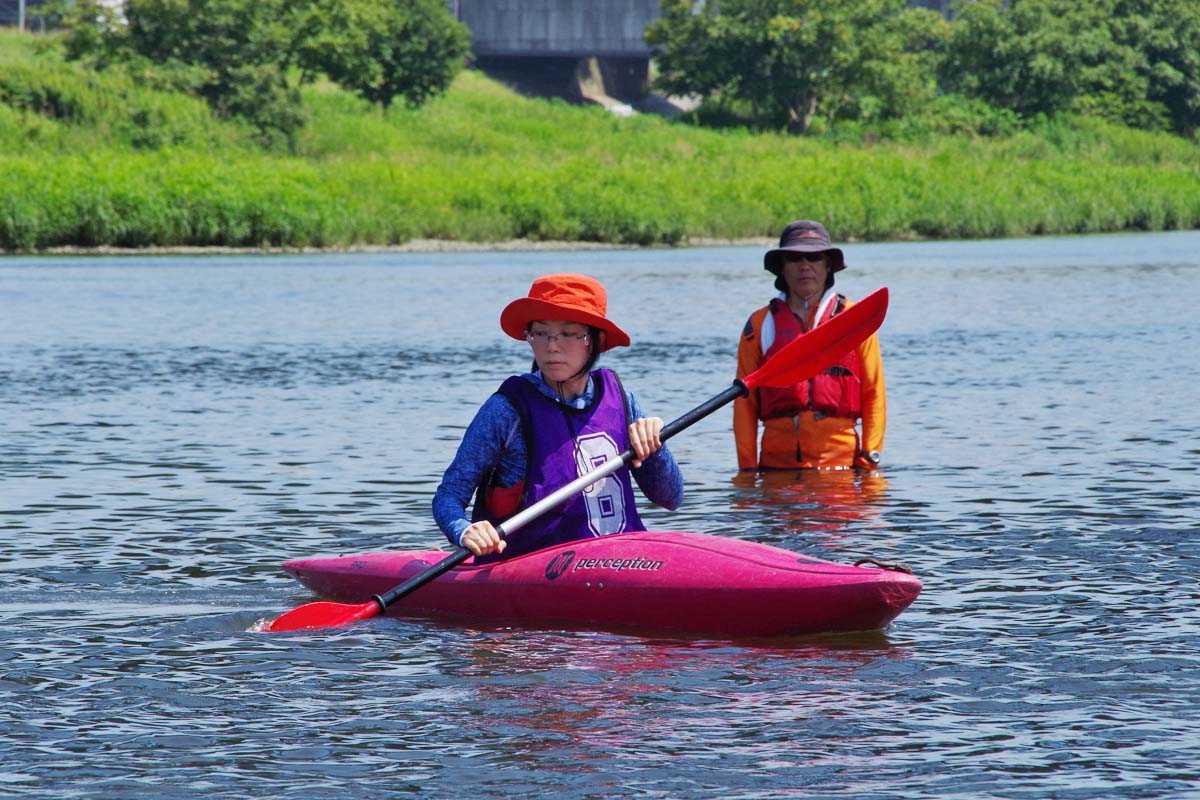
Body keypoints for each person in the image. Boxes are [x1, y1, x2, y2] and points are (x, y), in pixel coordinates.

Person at [434, 273, 684, 562]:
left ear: (596, 341)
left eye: (567, 333)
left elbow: (671, 498)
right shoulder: (506, 411)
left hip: (623, 563)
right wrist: (464, 531)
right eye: (540, 333)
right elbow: (448, 496)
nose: (551, 346)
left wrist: (656, 446)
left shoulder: (623, 401)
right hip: (532, 572)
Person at [734, 220, 886, 471]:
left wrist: (870, 458)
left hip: (843, 469)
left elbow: (874, 392)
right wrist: (748, 470)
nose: (805, 266)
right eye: (794, 258)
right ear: (782, 268)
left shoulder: (856, 320)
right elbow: (744, 402)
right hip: (776, 469)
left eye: (814, 258)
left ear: (828, 266)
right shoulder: (760, 325)